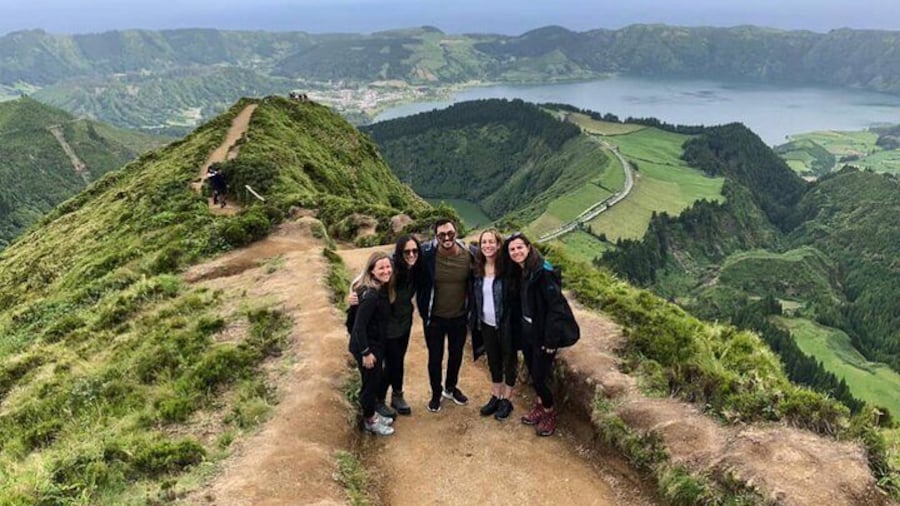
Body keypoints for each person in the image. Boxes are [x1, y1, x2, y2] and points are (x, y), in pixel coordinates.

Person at [503, 232, 566, 437]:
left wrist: (551, 340)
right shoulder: (520, 271)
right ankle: (540, 405)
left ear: (529, 247)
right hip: (527, 331)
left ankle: (549, 412)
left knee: (539, 377)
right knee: (532, 371)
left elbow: (556, 307)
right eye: (512, 249)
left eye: (519, 247)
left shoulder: (543, 272)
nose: (516, 252)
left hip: (543, 335)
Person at [416, 218, 476, 412]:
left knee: (456, 354)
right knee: (435, 357)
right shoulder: (426, 255)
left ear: (456, 232)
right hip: (434, 318)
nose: (447, 237)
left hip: (459, 317)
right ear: (436, 237)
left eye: (450, 233)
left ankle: (450, 387)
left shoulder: (469, 255)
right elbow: (397, 260)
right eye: (442, 234)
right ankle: (436, 393)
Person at [348, 251, 395, 436]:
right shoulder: (371, 295)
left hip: (372, 344)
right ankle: (370, 420)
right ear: (372, 270)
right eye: (381, 267)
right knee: (370, 384)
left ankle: (372, 414)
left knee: (373, 380)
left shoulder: (377, 287)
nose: (386, 270)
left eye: (388, 266)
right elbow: (359, 327)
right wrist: (366, 352)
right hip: (366, 347)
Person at [472, 228, 517, 421]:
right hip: (486, 323)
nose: (487, 246)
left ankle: (507, 398)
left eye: (491, 242)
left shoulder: (508, 269)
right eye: (484, 243)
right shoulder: (478, 269)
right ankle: (495, 394)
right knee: (493, 360)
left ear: (499, 245)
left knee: (509, 359)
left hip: (506, 323)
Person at [375, 235, 422, 417]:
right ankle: (379, 399)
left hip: (405, 321)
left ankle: (396, 395)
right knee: (393, 361)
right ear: (399, 252)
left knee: (398, 359)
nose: (411, 254)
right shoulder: (391, 268)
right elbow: (366, 278)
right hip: (388, 324)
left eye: (414, 250)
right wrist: (353, 295)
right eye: (407, 251)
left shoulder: (415, 268)